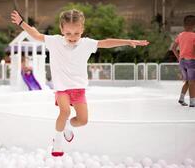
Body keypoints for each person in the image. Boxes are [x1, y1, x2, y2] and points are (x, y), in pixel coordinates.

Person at [11, 9, 149, 157]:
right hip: (62, 88)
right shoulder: (55, 41)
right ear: (62, 29)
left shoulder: (87, 44)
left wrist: (127, 41)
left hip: (78, 89)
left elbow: (106, 42)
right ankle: (57, 142)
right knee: (65, 111)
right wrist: (21, 22)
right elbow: (36, 34)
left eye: (76, 33)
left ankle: (68, 126)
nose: (72, 37)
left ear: (82, 29)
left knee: (83, 120)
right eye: (68, 33)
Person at [171, 15, 195, 107]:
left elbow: (173, 48)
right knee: (192, 82)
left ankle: (181, 98)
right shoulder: (194, 36)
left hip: (182, 61)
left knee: (187, 81)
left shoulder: (180, 35)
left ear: (184, 25)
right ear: (193, 26)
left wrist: (179, 58)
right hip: (191, 61)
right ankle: (192, 102)